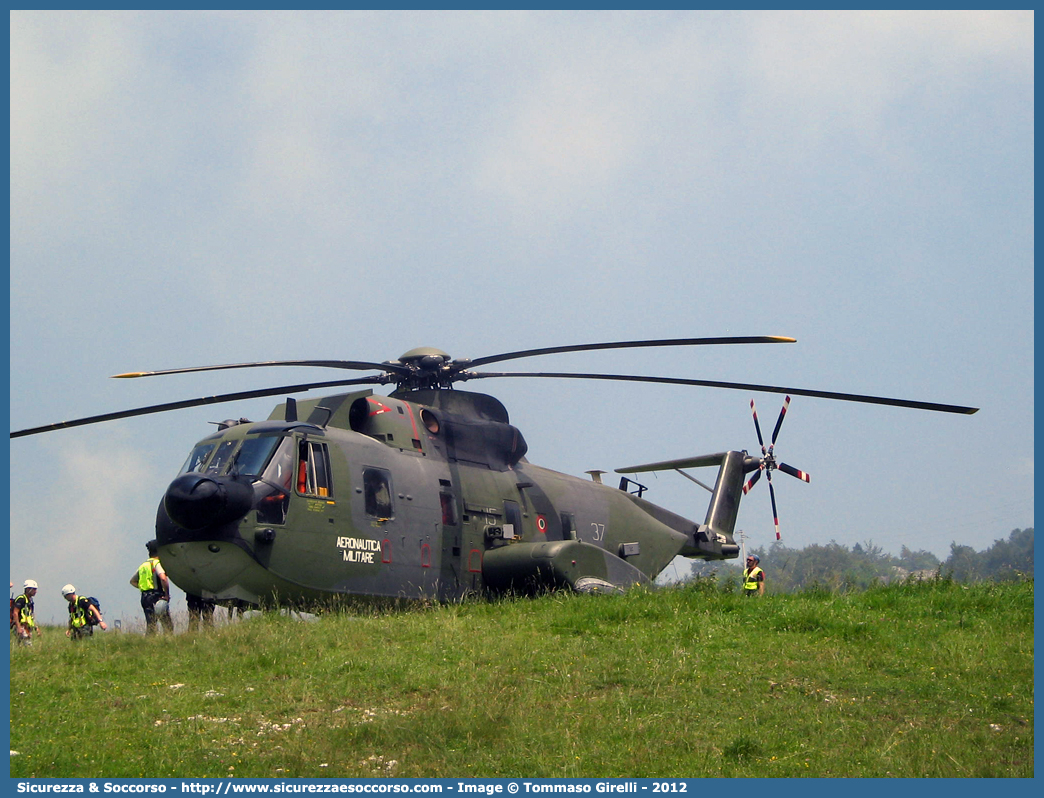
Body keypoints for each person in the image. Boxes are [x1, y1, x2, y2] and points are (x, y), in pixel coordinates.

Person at [130, 540, 173, 634]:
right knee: (167, 625)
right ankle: (168, 643)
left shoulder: (143, 565)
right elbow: (163, 578)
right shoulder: (156, 563)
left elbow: (132, 581)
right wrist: (166, 594)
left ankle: (149, 643)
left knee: (151, 625)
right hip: (157, 596)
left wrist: (144, 588)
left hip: (145, 597)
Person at [12, 579, 38, 645]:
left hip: (26, 627)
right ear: (28, 589)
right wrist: (18, 627)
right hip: (21, 626)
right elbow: (15, 613)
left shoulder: (30, 601)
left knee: (20, 645)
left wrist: (36, 628)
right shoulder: (21, 599)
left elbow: (31, 615)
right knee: (28, 645)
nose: (36, 591)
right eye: (34, 589)